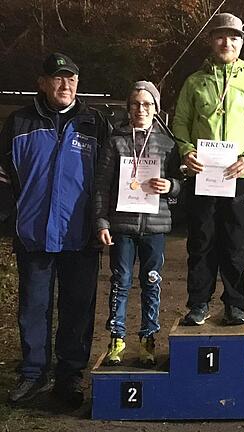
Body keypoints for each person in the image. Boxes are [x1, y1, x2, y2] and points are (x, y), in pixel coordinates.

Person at [0, 53, 108, 406]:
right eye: (58, 78)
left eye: (72, 79)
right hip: (33, 235)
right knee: (33, 308)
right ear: (42, 82)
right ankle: (32, 374)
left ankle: (70, 377)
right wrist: (10, 218)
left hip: (81, 236)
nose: (66, 85)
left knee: (77, 309)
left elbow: (108, 180)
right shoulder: (18, 122)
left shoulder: (95, 122)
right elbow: (3, 179)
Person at [172, 12, 244, 326]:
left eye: (233, 37)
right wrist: (187, 151)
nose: (226, 42)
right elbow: (180, 124)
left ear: (242, 42)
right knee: (201, 241)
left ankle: (235, 305)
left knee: (236, 244)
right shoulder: (194, 82)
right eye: (220, 36)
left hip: (239, 177)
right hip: (203, 176)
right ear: (210, 40)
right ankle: (198, 304)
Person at [94, 81, 182, 367]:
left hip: (154, 226)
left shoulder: (168, 144)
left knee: (152, 283)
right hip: (122, 226)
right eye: (135, 104)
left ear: (156, 109)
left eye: (147, 104)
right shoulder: (115, 140)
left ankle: (148, 339)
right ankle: (117, 339)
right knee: (120, 282)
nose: (141, 109)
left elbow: (182, 185)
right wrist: (102, 220)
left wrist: (170, 186)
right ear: (128, 108)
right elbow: (102, 186)